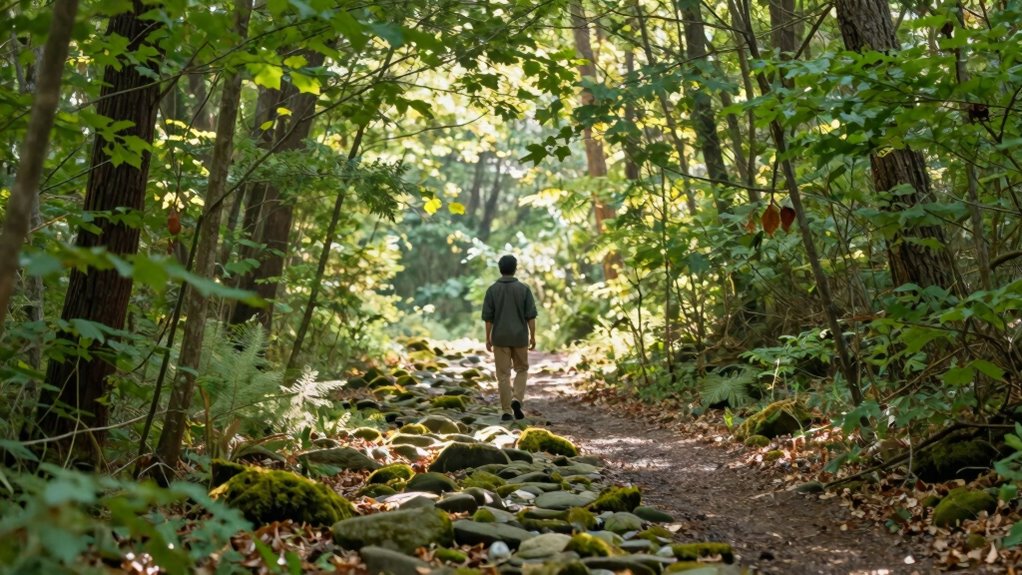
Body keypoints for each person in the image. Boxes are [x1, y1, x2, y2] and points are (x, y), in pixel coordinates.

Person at [482, 254, 538, 421]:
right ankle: (517, 400)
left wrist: (487, 337)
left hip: (500, 338)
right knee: (522, 369)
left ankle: (506, 410)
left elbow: (488, 318)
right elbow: (531, 316)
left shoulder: (492, 290)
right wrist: (532, 336)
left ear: (500, 269)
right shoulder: (524, 289)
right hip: (520, 336)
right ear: (515, 269)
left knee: (503, 375)